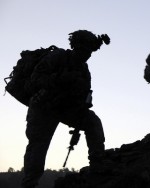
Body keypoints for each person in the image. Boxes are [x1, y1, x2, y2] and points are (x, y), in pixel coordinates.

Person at [21, 30, 110, 188]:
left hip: (65, 108)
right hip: (43, 107)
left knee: (93, 122)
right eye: (85, 50)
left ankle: (98, 164)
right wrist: (61, 79)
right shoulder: (58, 57)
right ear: (76, 46)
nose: (87, 54)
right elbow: (36, 79)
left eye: (90, 51)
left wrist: (83, 105)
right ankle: (29, 184)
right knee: (38, 147)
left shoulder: (84, 70)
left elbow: (84, 94)